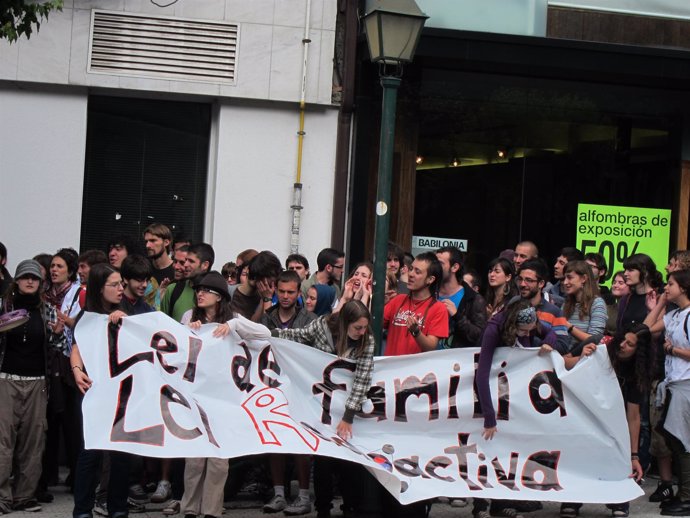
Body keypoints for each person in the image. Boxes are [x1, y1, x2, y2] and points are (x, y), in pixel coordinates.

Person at [269, 300, 375, 518]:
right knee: (323, 458)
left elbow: (362, 379)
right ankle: (323, 509)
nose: (362, 332)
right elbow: (297, 336)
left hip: (346, 405)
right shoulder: (321, 326)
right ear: (345, 323)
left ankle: (350, 507)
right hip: (320, 403)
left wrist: (348, 415)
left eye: (365, 328)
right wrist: (267, 334)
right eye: (357, 328)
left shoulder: (367, 340)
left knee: (349, 459)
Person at [562, 324, 653, 518]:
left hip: (614, 421)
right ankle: (572, 498)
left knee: (617, 455)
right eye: (622, 339)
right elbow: (563, 362)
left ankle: (618, 500)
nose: (622, 345)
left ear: (639, 352)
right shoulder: (598, 342)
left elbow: (634, 415)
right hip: (584, 413)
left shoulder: (637, 373)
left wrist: (634, 455)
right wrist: (582, 357)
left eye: (630, 344)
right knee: (580, 456)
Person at [476, 300, 557, 518]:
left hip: (517, 391)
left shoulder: (531, 320)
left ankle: (502, 503)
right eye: (522, 331)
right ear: (513, 326)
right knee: (487, 448)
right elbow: (481, 374)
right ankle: (480, 504)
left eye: (529, 331)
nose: (526, 334)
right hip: (494, 389)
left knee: (511, 448)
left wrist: (547, 341)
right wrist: (489, 416)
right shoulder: (494, 329)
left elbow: (552, 333)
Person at [0, 259, 65, 514]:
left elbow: (55, 347)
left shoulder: (47, 310)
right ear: (16, 281)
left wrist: (58, 333)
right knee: (3, 442)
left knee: (33, 441)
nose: (30, 281)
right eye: (25, 277)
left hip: (37, 383)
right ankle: (2, 497)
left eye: (35, 278)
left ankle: (24, 496)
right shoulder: (3, 306)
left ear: (40, 283)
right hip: (6, 380)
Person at [70, 263, 130, 518]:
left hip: (123, 394)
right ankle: (82, 509)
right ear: (99, 287)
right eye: (114, 285)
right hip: (94, 391)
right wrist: (76, 369)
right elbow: (78, 346)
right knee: (90, 453)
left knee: (121, 453)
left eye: (121, 284)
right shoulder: (88, 316)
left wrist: (126, 323)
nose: (120, 289)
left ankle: (118, 507)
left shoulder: (127, 313)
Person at [260, 270, 316, 515]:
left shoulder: (310, 319)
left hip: (300, 388)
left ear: (298, 292)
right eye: (281, 291)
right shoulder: (266, 319)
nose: (285, 296)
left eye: (290, 292)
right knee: (275, 441)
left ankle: (304, 496)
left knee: (300, 442)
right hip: (272, 386)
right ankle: (279, 493)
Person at [179, 272, 234, 518]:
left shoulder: (233, 321)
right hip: (195, 395)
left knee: (220, 460)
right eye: (198, 290)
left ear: (220, 297)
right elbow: (177, 352)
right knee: (195, 458)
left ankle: (212, 511)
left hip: (224, 399)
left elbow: (261, 335)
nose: (199, 294)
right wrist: (188, 332)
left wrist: (234, 327)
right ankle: (189, 508)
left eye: (206, 290)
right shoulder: (189, 317)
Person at [643, 269, 690, 516]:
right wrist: (660, 302)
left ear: (683, 287)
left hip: (686, 383)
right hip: (672, 383)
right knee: (672, 438)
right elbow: (646, 328)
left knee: (683, 441)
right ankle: (682, 493)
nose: (666, 287)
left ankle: (687, 496)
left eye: (670, 284)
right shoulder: (673, 314)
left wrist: (674, 351)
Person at [383, 252, 448, 355]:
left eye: (417, 272)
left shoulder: (439, 308)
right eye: (411, 269)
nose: (411, 274)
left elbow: (431, 347)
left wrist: (416, 332)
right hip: (391, 369)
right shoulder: (398, 299)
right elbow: (375, 325)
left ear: (430, 279)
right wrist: (380, 304)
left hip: (416, 370)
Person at [435, 246, 486, 348]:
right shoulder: (429, 294)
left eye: (440, 264)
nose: (435, 267)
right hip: (428, 360)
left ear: (454, 267)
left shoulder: (473, 298)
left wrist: (457, 316)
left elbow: (479, 336)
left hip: (456, 361)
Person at [516, 259, 569, 354]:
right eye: (520, 279)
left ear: (541, 283)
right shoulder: (513, 304)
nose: (522, 284)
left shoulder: (554, 311)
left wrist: (545, 344)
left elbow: (563, 346)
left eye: (528, 280)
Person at [561, 260, 607, 351]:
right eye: (564, 278)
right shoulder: (567, 303)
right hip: (563, 357)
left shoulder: (597, 303)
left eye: (569, 277)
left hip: (583, 359)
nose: (565, 282)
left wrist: (569, 327)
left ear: (583, 279)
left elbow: (595, 340)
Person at [161, 243, 214, 322]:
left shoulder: (217, 293)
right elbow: (161, 324)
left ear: (205, 265)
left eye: (191, 261)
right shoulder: (173, 290)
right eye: (186, 261)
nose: (185, 265)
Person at [230, 250, 282, 321]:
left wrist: (265, 299)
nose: (270, 286)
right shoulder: (230, 292)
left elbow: (263, 326)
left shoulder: (265, 294)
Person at [617, 253, 663, 332]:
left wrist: (652, 311)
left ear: (645, 272)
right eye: (625, 270)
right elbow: (619, 329)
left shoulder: (660, 299)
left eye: (630, 270)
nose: (625, 274)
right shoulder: (626, 299)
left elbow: (657, 334)